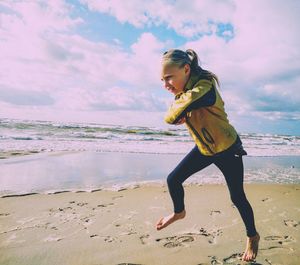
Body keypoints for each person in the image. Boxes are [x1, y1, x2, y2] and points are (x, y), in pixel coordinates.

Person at [156, 49, 260, 262]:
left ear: (186, 69)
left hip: (227, 148)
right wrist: (181, 109)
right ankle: (179, 213)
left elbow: (170, 116)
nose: (165, 84)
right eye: (162, 79)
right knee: (173, 179)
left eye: (168, 78)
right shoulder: (183, 93)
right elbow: (176, 113)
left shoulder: (205, 87)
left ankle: (253, 236)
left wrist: (180, 111)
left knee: (237, 197)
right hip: (204, 149)